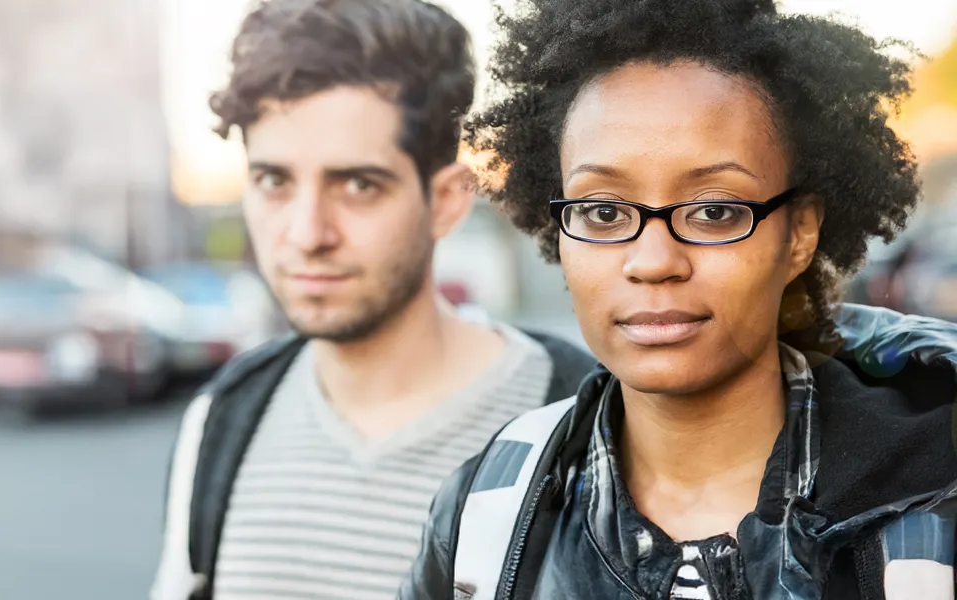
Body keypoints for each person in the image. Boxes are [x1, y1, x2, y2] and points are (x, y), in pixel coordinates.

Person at [399, 0, 957, 599]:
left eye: (715, 211)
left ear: (798, 234)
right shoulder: (491, 513)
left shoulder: (932, 504)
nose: (654, 261)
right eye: (603, 211)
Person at [149, 1, 598, 599]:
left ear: (446, 201)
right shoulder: (224, 417)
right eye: (274, 181)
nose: (307, 233)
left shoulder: (583, 428)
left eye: (358, 184)